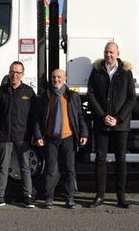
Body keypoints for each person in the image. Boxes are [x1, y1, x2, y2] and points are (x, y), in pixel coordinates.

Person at [87, 42, 136, 208]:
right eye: (107, 52)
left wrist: (118, 118)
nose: (109, 55)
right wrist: (102, 116)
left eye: (112, 52)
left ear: (118, 53)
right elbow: (91, 95)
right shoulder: (96, 71)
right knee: (100, 159)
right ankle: (99, 195)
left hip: (120, 124)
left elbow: (132, 98)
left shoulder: (126, 72)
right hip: (102, 122)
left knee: (120, 159)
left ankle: (120, 196)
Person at [33, 69, 89, 209]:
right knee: (50, 169)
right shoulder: (46, 96)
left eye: (59, 77)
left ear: (65, 78)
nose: (56, 79)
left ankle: (69, 198)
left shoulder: (72, 96)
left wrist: (84, 134)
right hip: (51, 138)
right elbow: (38, 119)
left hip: (68, 137)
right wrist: (38, 135)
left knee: (69, 169)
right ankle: (49, 198)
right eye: (53, 77)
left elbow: (80, 116)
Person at [0, 61, 38, 208]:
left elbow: (34, 116)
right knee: (3, 167)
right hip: (4, 135)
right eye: (12, 72)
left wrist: (35, 135)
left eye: (18, 72)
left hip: (23, 136)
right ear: (9, 73)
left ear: (22, 74)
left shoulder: (29, 92)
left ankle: (27, 197)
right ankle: (0, 197)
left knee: (25, 167)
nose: (14, 75)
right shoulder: (0, 91)